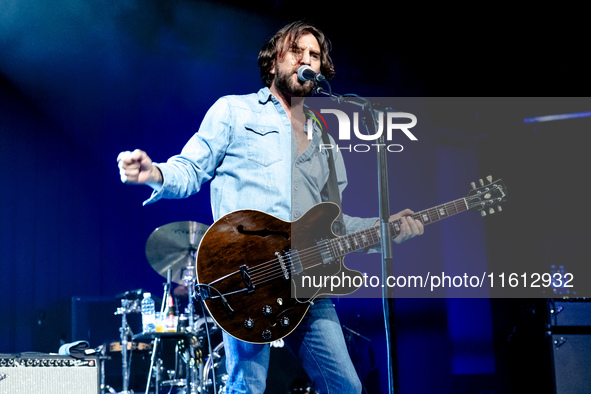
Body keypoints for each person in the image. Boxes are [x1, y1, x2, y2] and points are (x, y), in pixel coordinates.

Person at [118, 20, 423, 394]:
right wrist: (154, 173)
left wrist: (385, 228)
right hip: (249, 275)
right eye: (297, 51)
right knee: (247, 386)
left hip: (309, 283)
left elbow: (334, 224)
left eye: (314, 55)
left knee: (346, 387)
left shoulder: (326, 140)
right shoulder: (234, 111)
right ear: (275, 59)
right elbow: (191, 168)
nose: (306, 60)